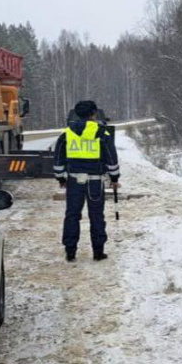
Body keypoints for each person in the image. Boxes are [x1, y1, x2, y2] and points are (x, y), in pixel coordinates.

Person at [53, 100, 120, 262]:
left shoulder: (67, 134)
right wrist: (114, 178)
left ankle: (70, 251)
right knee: (96, 215)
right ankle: (98, 252)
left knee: (72, 215)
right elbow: (111, 157)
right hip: (95, 182)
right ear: (93, 114)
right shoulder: (102, 133)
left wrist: (61, 178)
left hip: (74, 181)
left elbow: (58, 159)